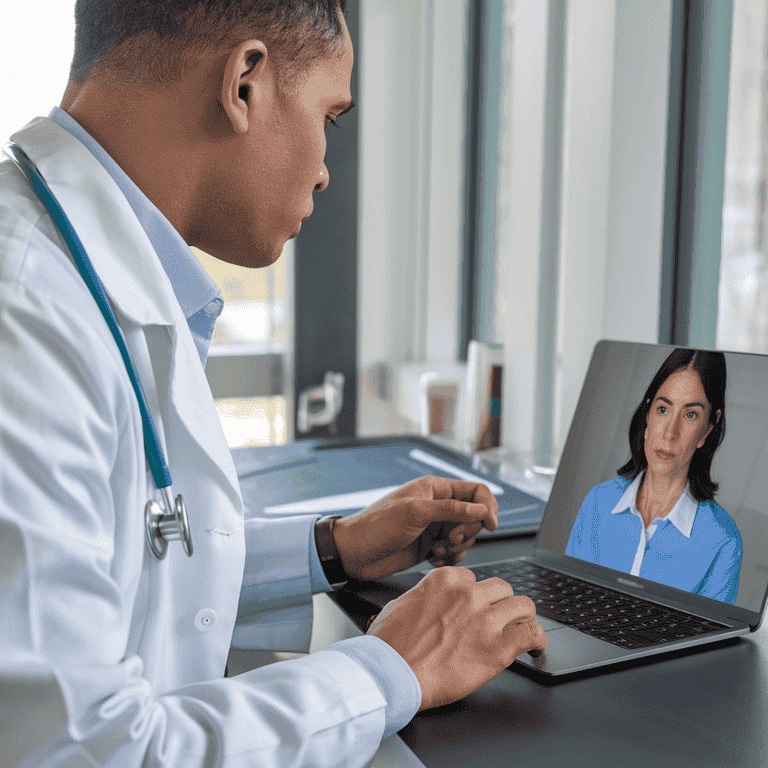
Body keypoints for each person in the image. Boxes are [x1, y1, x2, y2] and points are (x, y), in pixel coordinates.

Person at [0, 1, 548, 766]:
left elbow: (128, 565)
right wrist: (389, 670)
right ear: (245, 83)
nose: (325, 168)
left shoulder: (78, 272)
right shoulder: (24, 318)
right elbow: (77, 749)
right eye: (330, 116)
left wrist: (335, 550)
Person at [565, 348, 742, 603]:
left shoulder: (723, 541)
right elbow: (571, 602)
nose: (669, 433)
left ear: (708, 428)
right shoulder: (597, 502)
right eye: (662, 409)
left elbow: (709, 643)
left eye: (691, 414)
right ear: (648, 414)